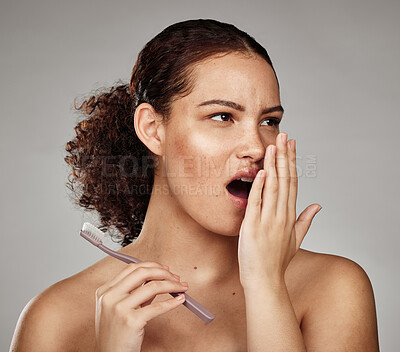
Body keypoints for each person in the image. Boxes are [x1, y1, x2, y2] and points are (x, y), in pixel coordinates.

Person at [10, 18, 379, 352]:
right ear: (153, 129)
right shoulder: (55, 320)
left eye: (269, 121)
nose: (256, 147)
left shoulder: (333, 290)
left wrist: (266, 285)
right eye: (222, 116)